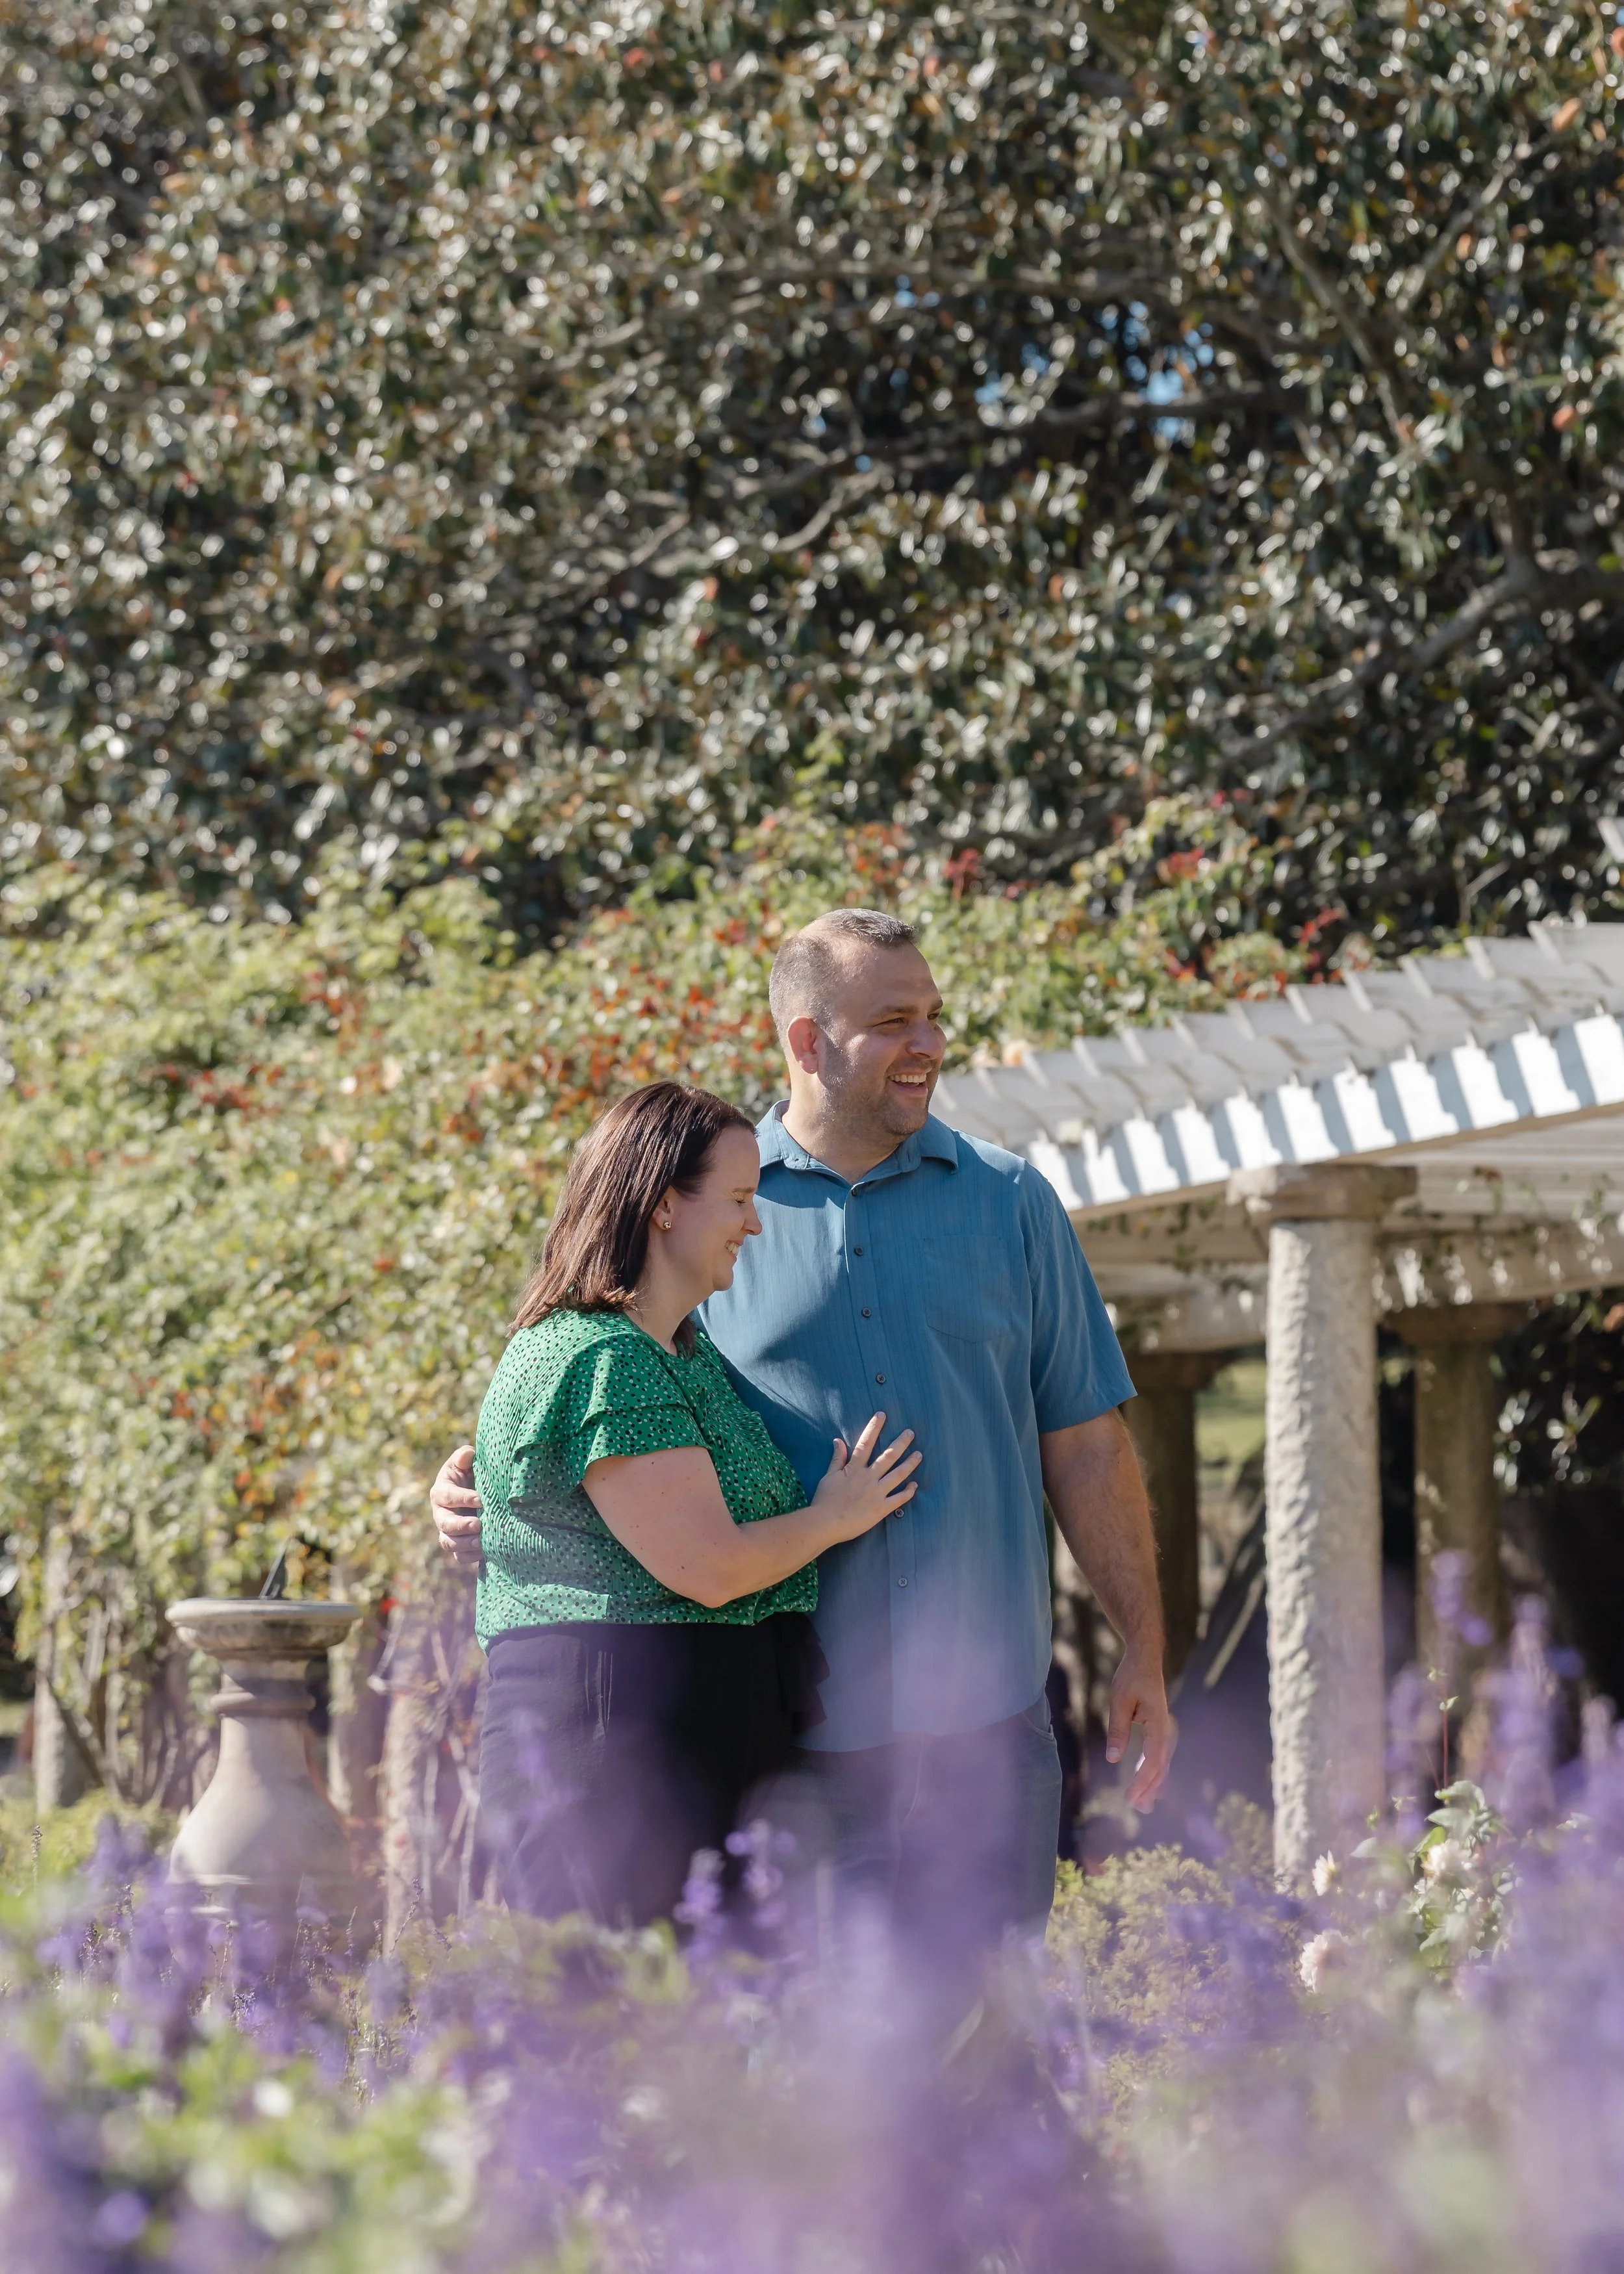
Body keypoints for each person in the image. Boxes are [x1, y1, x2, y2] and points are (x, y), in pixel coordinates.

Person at [437, 910, 1174, 1963]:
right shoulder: (710, 1217)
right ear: (806, 1040)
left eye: (933, 1016)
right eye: (892, 1020)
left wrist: (1142, 1644)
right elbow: (597, 1391)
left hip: (990, 1729)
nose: (927, 1043)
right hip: (797, 1742)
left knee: (987, 2045)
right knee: (816, 2079)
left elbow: (1088, 1444)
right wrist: (476, 1490)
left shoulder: (1013, 1203)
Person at [470, 1079, 919, 1925]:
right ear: (664, 1207)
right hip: (612, 1744)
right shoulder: (604, 1356)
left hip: (690, 1742)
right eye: (740, 1200)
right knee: (624, 2030)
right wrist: (837, 1515)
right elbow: (708, 1567)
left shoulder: (683, 1352)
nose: (755, 1223)